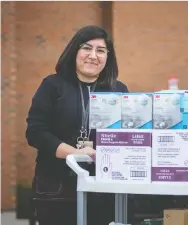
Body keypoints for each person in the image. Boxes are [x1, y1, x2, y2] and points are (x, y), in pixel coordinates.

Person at [26, 25, 129, 225]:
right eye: (86, 48)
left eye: (100, 50)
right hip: (55, 187)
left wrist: (99, 151)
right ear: (75, 51)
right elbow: (35, 132)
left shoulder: (118, 90)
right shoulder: (52, 85)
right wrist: (74, 153)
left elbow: (127, 136)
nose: (93, 55)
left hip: (103, 187)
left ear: (108, 57)